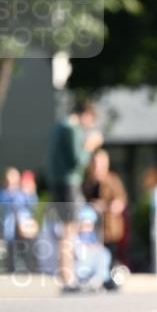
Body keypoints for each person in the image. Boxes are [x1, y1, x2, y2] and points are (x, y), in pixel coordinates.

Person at [47, 99, 103, 291]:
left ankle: (67, 275)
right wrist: (89, 145)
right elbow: (78, 161)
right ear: (86, 114)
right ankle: (67, 276)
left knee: (67, 230)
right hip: (68, 184)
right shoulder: (72, 129)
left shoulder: (59, 127)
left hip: (59, 183)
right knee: (69, 230)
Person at [82, 148, 128, 289]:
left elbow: (120, 202)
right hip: (93, 230)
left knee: (110, 256)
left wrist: (105, 206)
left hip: (109, 229)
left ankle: (111, 281)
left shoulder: (112, 181)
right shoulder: (87, 183)